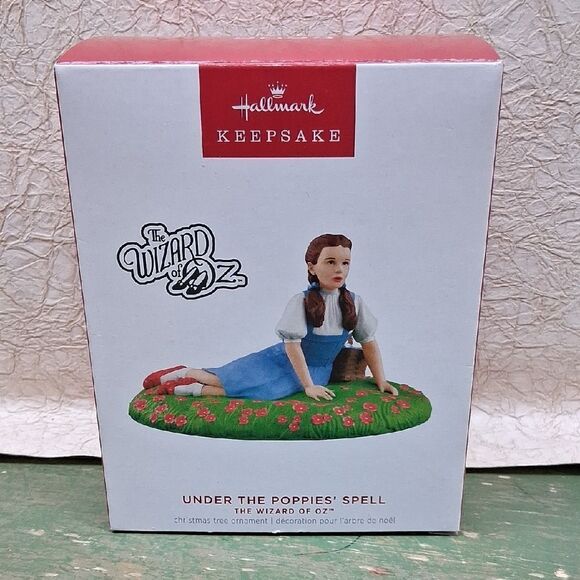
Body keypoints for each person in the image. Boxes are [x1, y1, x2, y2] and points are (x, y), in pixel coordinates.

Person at [142, 234, 398, 401]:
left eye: (345, 263)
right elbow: (293, 347)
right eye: (330, 262)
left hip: (318, 371)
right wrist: (307, 386)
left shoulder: (355, 302)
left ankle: (186, 389)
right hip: (283, 361)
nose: (339, 269)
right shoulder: (301, 301)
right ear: (312, 266)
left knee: (265, 392)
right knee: (231, 378)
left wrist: (381, 380)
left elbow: (369, 343)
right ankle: (183, 372)